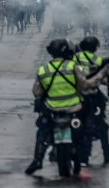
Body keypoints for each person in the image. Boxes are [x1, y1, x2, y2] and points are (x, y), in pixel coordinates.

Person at [25, 38, 101, 175]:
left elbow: (36, 92)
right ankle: (83, 154)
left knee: (42, 132)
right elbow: (84, 86)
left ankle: (37, 160)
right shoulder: (72, 67)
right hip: (74, 109)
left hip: (52, 110)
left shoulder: (43, 69)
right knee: (86, 128)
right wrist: (95, 81)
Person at [74, 36, 109, 165]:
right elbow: (104, 79)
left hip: (75, 94)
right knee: (101, 124)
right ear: (95, 48)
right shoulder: (99, 60)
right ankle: (107, 154)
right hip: (92, 95)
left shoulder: (73, 59)